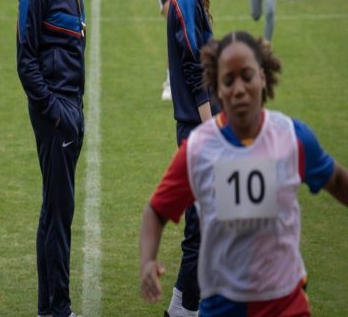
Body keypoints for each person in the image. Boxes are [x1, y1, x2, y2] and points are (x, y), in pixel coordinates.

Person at [140, 31, 348, 316]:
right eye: (228, 80)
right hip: (221, 306)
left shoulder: (292, 137)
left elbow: (337, 180)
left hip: (286, 305)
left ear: (262, 77)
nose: (238, 89)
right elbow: (156, 211)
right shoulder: (198, 150)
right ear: (216, 88)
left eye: (247, 76)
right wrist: (147, 261)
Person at [17, 0, 85, 317]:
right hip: (56, 114)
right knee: (60, 216)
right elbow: (25, 61)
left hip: (70, 107)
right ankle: (59, 309)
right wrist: (56, 112)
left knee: (54, 211)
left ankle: (48, 309)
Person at [164, 0, 216, 317]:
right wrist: (211, 127)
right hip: (196, 127)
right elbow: (193, 69)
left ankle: (186, 304)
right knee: (199, 223)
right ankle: (183, 307)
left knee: (207, 220)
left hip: (202, 123)